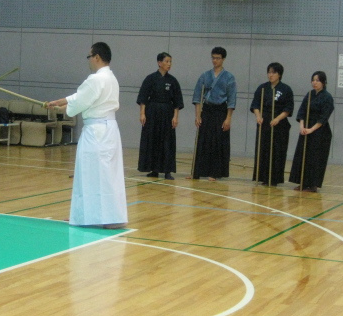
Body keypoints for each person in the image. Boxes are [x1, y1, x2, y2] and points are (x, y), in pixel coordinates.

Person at [47, 42, 127, 229]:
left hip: (96, 133)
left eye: (89, 56)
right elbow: (83, 98)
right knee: (108, 175)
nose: (88, 60)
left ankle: (89, 217)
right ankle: (111, 217)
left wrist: (62, 106)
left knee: (90, 174)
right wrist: (62, 103)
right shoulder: (111, 78)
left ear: (97, 57)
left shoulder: (96, 79)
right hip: (109, 130)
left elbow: (80, 101)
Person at [187, 46, 237, 181]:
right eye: (213, 58)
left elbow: (231, 100)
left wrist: (228, 118)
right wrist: (197, 115)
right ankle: (197, 171)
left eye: (218, 58)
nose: (215, 60)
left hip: (221, 111)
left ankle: (215, 172)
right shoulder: (205, 75)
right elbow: (197, 97)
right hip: (207, 110)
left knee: (218, 141)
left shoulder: (229, 77)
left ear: (223, 59)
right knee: (203, 141)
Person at [137, 52, 184, 180]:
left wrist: (175, 117)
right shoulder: (150, 79)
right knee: (152, 140)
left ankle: (167, 170)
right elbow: (143, 98)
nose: (169, 64)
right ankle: (154, 169)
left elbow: (177, 102)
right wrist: (142, 113)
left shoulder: (173, 81)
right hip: (152, 113)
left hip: (167, 114)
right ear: (159, 63)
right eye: (166, 61)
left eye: (170, 62)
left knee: (167, 142)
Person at [289, 71, 334, 192]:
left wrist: (311, 129)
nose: (314, 82)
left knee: (315, 158)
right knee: (302, 156)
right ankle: (303, 182)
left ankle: (313, 185)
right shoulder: (309, 95)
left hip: (320, 132)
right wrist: (302, 127)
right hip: (306, 129)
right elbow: (302, 112)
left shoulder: (327, 97)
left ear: (323, 82)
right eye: (313, 80)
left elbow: (324, 117)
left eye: (317, 80)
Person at [250, 62, 294, 186]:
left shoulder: (286, 89)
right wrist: (258, 116)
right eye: (269, 72)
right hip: (264, 123)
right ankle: (263, 177)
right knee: (263, 150)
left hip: (279, 124)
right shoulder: (262, 88)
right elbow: (255, 105)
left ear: (279, 74)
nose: (270, 75)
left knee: (277, 151)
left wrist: (278, 119)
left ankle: (275, 178)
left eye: (273, 72)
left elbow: (288, 108)